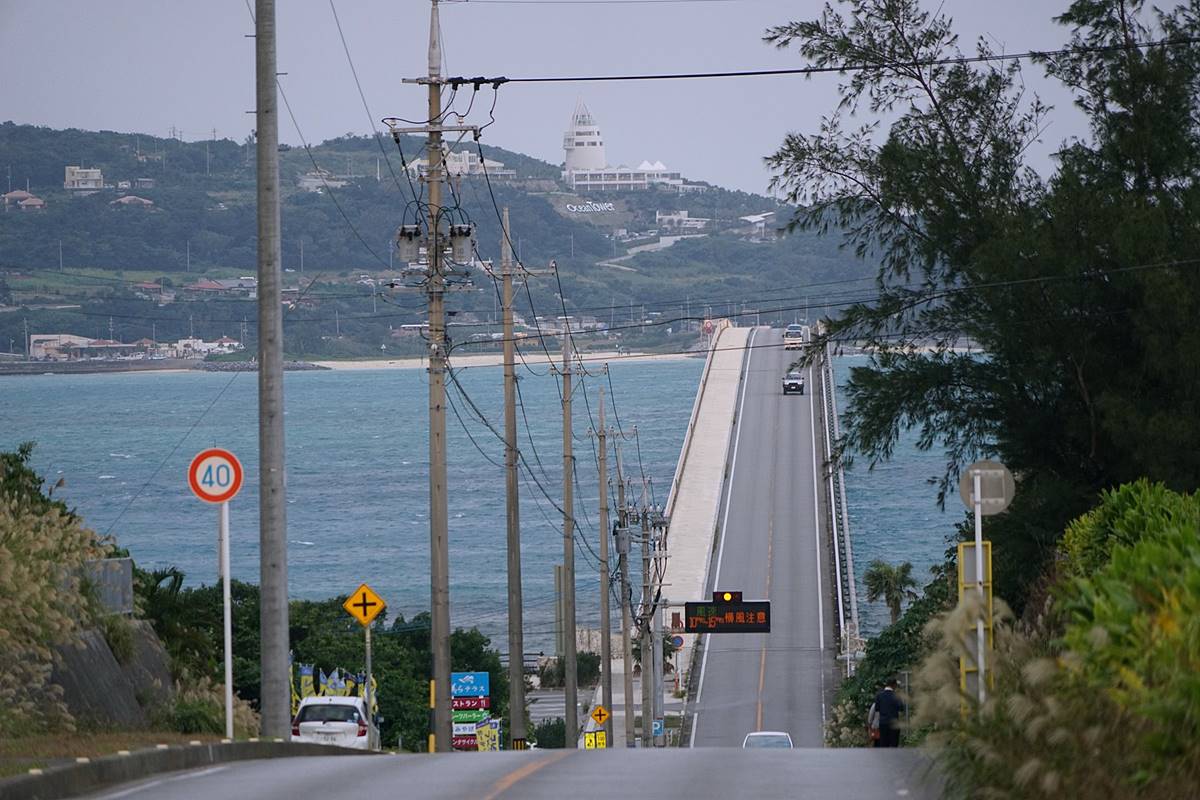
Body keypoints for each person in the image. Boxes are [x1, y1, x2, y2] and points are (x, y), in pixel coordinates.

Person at [872, 679, 905, 748]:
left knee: (883, 744)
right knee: (894, 744)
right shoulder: (896, 696)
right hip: (894, 723)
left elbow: (877, 708)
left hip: (883, 723)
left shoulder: (879, 695)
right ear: (894, 685)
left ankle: (884, 755)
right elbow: (901, 708)